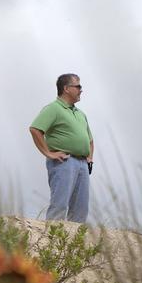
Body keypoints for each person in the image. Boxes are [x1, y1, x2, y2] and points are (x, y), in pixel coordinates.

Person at [29, 73, 93, 223]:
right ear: (66, 88)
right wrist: (48, 153)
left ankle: (74, 245)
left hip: (83, 164)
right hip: (64, 162)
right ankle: (51, 244)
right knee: (60, 205)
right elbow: (35, 129)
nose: (81, 90)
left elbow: (89, 139)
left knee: (81, 210)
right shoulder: (54, 108)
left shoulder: (80, 113)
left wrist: (90, 157)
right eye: (78, 86)